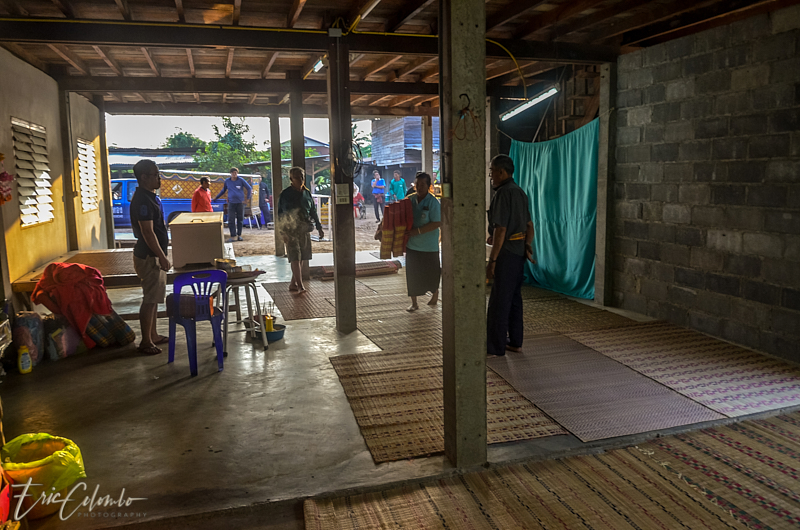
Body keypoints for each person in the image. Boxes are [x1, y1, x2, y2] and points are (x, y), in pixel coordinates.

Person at [486, 154, 535, 357]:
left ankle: (495, 346)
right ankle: (515, 342)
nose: (490, 175)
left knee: (499, 301)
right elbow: (530, 226)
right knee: (514, 298)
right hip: (518, 254)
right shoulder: (520, 192)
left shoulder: (503, 193)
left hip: (506, 255)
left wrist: (492, 260)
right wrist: (527, 246)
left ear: (501, 172)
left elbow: (501, 230)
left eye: (492, 171)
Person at [130, 159, 171, 355]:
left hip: (154, 254)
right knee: (149, 299)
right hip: (149, 256)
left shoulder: (151, 197)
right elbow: (147, 232)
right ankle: (146, 341)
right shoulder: (142, 201)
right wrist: (161, 256)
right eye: (155, 175)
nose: (159, 178)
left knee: (154, 298)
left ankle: (153, 335)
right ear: (144, 177)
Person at [277, 167, 324, 293]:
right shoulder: (285, 194)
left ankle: (293, 283)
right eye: (297, 178)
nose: (301, 180)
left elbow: (313, 211)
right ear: (291, 179)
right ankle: (300, 285)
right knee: (295, 257)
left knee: (302, 256)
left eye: (302, 177)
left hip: (304, 228)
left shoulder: (306, 193)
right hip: (290, 230)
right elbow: (280, 214)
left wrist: (319, 227)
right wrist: (282, 232)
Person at [405, 172, 442, 312]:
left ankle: (435, 295)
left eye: (422, 185)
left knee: (432, 274)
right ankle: (414, 303)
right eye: (417, 184)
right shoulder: (409, 199)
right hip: (412, 245)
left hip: (429, 246)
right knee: (412, 274)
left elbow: (437, 222)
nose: (419, 187)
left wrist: (418, 231)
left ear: (429, 186)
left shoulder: (433, 202)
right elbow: (397, 212)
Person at [214, 167, 252, 241]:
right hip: (231, 203)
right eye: (233, 173)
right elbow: (223, 190)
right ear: (230, 173)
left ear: (237, 173)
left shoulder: (241, 180)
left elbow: (249, 188)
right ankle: (233, 235)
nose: (234, 174)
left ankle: (239, 235)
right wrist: (216, 197)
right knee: (231, 219)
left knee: (240, 219)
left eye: (235, 173)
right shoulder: (227, 181)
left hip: (240, 203)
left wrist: (247, 199)